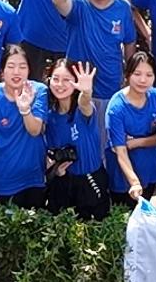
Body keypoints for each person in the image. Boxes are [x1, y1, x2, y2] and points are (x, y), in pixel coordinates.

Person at [52, 0, 135, 129]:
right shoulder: (78, 2)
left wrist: (130, 75)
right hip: (75, 85)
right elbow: (58, 1)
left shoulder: (122, 7)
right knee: (76, 135)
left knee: (104, 136)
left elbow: (129, 42)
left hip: (109, 83)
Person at [0, 45, 49, 206]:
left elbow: (35, 130)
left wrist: (25, 109)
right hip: (4, 180)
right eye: (10, 66)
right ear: (2, 71)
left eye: (22, 67)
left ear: (29, 70)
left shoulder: (39, 91)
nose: (17, 72)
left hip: (35, 177)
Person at [44, 58, 110, 219]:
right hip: (64, 181)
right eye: (56, 79)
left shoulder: (82, 110)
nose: (60, 85)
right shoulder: (50, 116)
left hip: (90, 179)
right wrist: (56, 170)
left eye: (67, 80)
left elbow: (84, 103)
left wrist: (86, 92)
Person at [105, 51, 156, 205]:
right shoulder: (116, 107)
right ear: (128, 74)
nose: (143, 80)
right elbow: (121, 151)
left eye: (149, 75)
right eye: (137, 74)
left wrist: (135, 142)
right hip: (123, 178)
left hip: (149, 171)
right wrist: (134, 182)